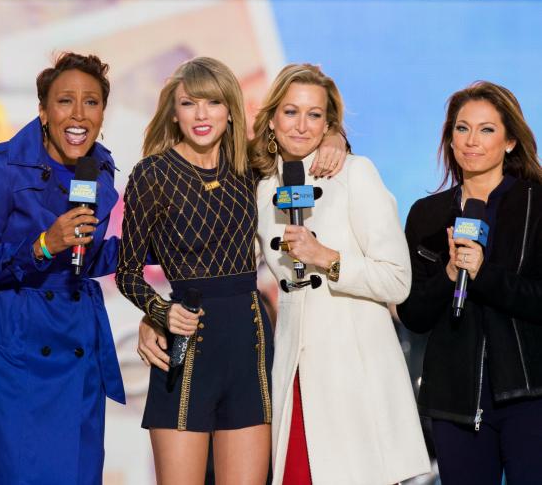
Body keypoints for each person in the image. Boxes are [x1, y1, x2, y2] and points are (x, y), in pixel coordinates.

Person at [124, 57, 348, 484]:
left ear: (231, 110)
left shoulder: (252, 167)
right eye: (190, 104)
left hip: (249, 341)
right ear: (174, 111)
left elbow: (299, 135)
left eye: (213, 103)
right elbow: (128, 271)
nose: (202, 115)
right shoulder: (151, 175)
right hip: (184, 344)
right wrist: (156, 312)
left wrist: (335, 135)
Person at [252, 63, 430, 484]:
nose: (302, 125)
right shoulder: (260, 187)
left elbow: (397, 280)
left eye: (315, 115)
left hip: (354, 378)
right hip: (296, 372)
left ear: (329, 123)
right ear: (272, 118)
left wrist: (327, 256)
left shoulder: (355, 173)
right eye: (291, 112)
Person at [0, 52, 124, 485]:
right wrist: (41, 246)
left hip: (75, 348)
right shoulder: (1, 168)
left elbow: (86, 259)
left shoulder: (100, 169)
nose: (78, 114)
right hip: (14, 350)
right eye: (65, 101)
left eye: (91, 102)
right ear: (43, 111)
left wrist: (150, 249)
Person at [397, 81, 542, 484]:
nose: (471, 141)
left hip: (529, 396)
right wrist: (449, 274)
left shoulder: (536, 204)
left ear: (511, 141)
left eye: (486, 129)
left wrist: (483, 274)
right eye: (462, 129)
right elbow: (414, 315)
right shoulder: (427, 215)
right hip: (454, 403)